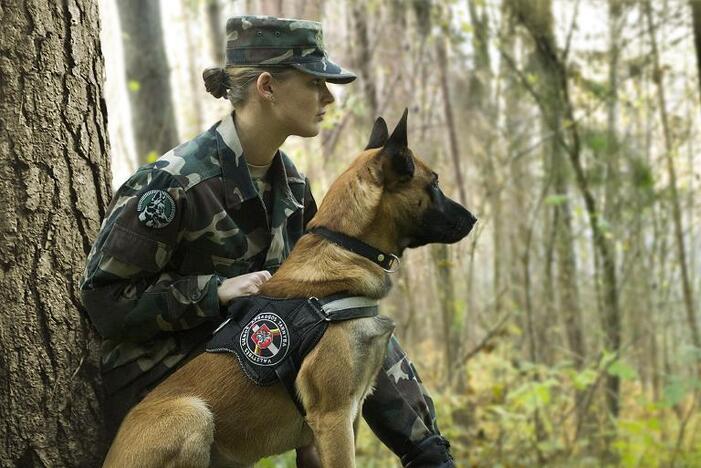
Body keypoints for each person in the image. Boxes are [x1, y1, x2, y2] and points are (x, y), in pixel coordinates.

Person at [80, 16, 454, 467]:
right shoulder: (173, 183)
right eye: (315, 82)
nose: (328, 97)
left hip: (255, 368)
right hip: (170, 396)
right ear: (267, 87)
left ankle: (430, 455)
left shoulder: (293, 188)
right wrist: (212, 292)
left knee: (352, 316)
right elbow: (104, 301)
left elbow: (324, 318)